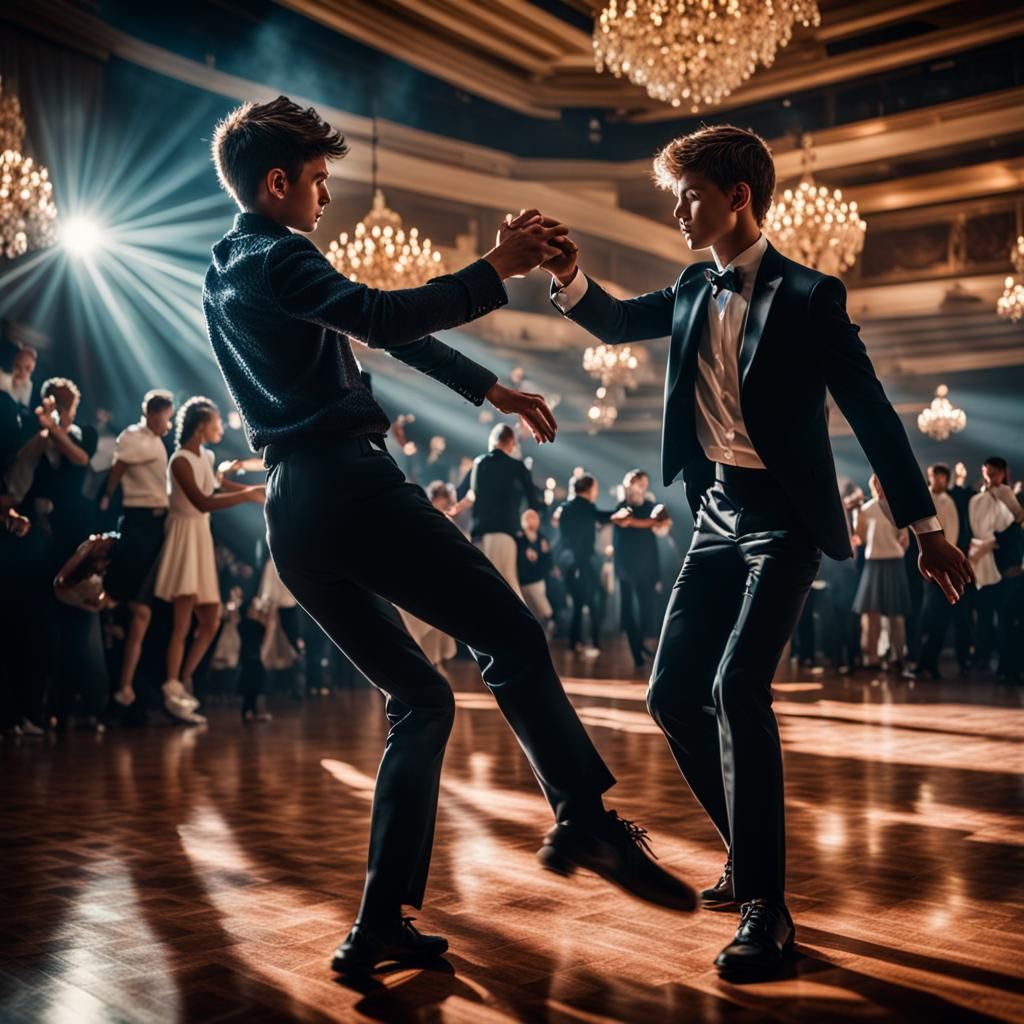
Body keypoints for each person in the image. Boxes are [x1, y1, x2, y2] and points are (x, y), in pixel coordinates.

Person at [203, 95, 695, 976]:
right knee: (511, 634)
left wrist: (487, 390)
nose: (324, 197)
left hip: (293, 512)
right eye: (316, 182)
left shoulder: (231, 266)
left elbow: (372, 329)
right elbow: (385, 320)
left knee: (422, 701)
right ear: (276, 183)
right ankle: (582, 816)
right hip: (350, 487)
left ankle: (377, 925)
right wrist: (497, 267)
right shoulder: (281, 255)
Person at [541, 123, 972, 976]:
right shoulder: (693, 287)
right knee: (671, 695)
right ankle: (745, 857)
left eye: (689, 195)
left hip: (784, 520)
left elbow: (876, 416)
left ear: (738, 196)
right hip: (713, 515)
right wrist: (566, 277)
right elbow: (618, 321)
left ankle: (769, 910)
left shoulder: (812, 297)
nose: (677, 211)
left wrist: (926, 530)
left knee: (739, 688)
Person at [153, 397, 265, 724]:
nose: (220, 428)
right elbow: (202, 501)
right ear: (202, 425)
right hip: (185, 536)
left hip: (201, 538)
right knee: (182, 623)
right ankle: (172, 686)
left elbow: (216, 484)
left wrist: (255, 487)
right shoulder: (180, 460)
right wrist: (246, 495)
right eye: (216, 422)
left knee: (210, 622)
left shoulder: (207, 456)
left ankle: (179, 682)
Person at [100, 389, 175, 707]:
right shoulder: (133, 436)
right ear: (152, 413)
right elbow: (118, 467)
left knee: (142, 611)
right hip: (139, 525)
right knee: (124, 604)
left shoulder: (158, 441)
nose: (169, 424)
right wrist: (106, 497)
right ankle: (114, 684)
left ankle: (126, 687)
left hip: (157, 527)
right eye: (166, 417)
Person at [453, 422, 542, 596]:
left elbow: (472, 495)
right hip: (507, 534)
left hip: (481, 533)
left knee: (485, 587)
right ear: (511, 443)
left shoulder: (480, 462)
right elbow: (534, 501)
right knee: (508, 586)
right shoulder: (519, 467)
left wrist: (455, 509)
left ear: (492, 441)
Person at [554, 474, 632, 658]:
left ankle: (576, 642)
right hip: (582, 562)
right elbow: (601, 517)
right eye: (595, 488)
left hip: (569, 562)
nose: (596, 492)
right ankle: (593, 641)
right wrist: (618, 513)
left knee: (579, 603)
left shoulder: (565, 508)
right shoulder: (584, 506)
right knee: (596, 600)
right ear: (589, 489)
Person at [968, 456, 1024, 676]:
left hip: (1006, 564)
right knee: (984, 615)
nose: (990, 477)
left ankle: (1007, 666)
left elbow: (1014, 531)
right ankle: (987, 659)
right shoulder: (978, 499)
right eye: (987, 472)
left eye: (994, 473)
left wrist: (1014, 563)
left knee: (1007, 618)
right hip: (983, 561)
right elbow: (974, 529)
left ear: (1002, 473)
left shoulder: (1007, 495)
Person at [851, 475, 911, 671]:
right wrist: (857, 513)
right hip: (873, 562)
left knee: (896, 613)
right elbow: (859, 537)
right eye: (875, 484)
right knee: (871, 614)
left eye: (882, 483)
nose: (879, 487)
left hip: (893, 561)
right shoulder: (867, 509)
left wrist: (899, 547)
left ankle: (898, 656)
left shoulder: (897, 508)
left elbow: (906, 539)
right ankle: (872, 658)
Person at [613, 469, 671, 670]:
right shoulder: (622, 507)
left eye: (644, 483)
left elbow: (661, 526)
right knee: (628, 609)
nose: (642, 487)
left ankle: (642, 646)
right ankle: (637, 652)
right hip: (626, 565)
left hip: (646, 565)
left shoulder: (650, 506)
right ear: (630, 484)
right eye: (639, 483)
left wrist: (650, 522)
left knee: (646, 607)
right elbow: (623, 524)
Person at [909, 464, 961, 679]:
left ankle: (927, 664)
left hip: (941, 566)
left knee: (936, 618)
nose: (934, 480)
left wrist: (945, 564)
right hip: (924, 564)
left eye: (938, 477)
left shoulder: (948, 502)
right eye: (932, 476)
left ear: (946, 479)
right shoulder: (925, 498)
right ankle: (924, 663)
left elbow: (953, 536)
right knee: (926, 617)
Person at [516, 507, 555, 630]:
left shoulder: (542, 539)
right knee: (531, 610)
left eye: (535, 518)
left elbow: (548, 559)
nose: (533, 521)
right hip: (523, 580)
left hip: (538, 579)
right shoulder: (519, 538)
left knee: (542, 611)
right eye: (529, 518)